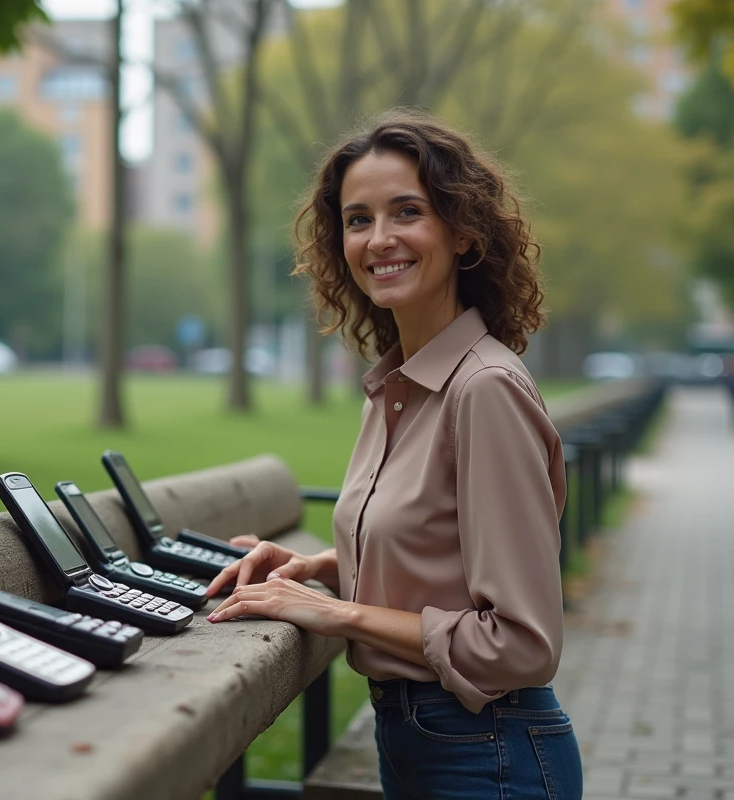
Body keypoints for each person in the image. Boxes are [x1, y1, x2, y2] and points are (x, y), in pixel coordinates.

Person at [206, 110, 582, 799]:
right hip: (419, 738)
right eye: (357, 219)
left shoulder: (483, 390)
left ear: (464, 230)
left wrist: (340, 614)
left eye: (407, 212)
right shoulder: (399, 386)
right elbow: (445, 559)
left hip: (487, 752)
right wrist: (316, 568)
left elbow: (525, 644)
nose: (379, 240)